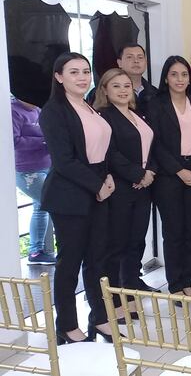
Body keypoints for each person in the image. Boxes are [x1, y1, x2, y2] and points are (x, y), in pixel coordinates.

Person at [39, 52, 116, 344]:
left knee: (98, 260)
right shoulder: (53, 111)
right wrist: (97, 184)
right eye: (73, 72)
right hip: (69, 195)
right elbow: (64, 161)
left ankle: (99, 319)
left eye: (85, 71)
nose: (82, 77)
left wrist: (106, 176)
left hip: (98, 188)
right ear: (59, 77)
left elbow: (100, 147)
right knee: (70, 262)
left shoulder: (88, 105)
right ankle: (67, 326)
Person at [146, 55, 191, 300]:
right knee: (174, 232)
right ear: (166, 77)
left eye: (184, 74)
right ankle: (175, 285)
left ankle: (188, 282)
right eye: (174, 74)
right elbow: (156, 144)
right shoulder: (156, 105)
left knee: (190, 233)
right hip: (169, 177)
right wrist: (179, 170)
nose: (179, 79)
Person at [93, 68, 157, 308]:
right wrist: (138, 174)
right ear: (105, 90)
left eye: (126, 86)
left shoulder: (137, 114)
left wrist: (150, 172)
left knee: (136, 242)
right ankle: (114, 301)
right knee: (117, 245)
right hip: (120, 188)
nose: (122, 90)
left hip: (144, 187)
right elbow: (110, 153)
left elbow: (152, 145)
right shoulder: (103, 116)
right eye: (116, 86)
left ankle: (131, 293)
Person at [12, 97, 56, 264]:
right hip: (27, 169)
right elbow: (14, 141)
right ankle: (37, 251)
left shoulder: (37, 109)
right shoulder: (13, 110)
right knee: (50, 202)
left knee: (41, 207)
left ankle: (37, 251)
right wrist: (42, 141)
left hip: (46, 164)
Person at [116, 43, 157, 116]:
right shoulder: (110, 92)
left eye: (140, 57)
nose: (136, 61)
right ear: (119, 63)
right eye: (130, 57)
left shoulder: (155, 93)